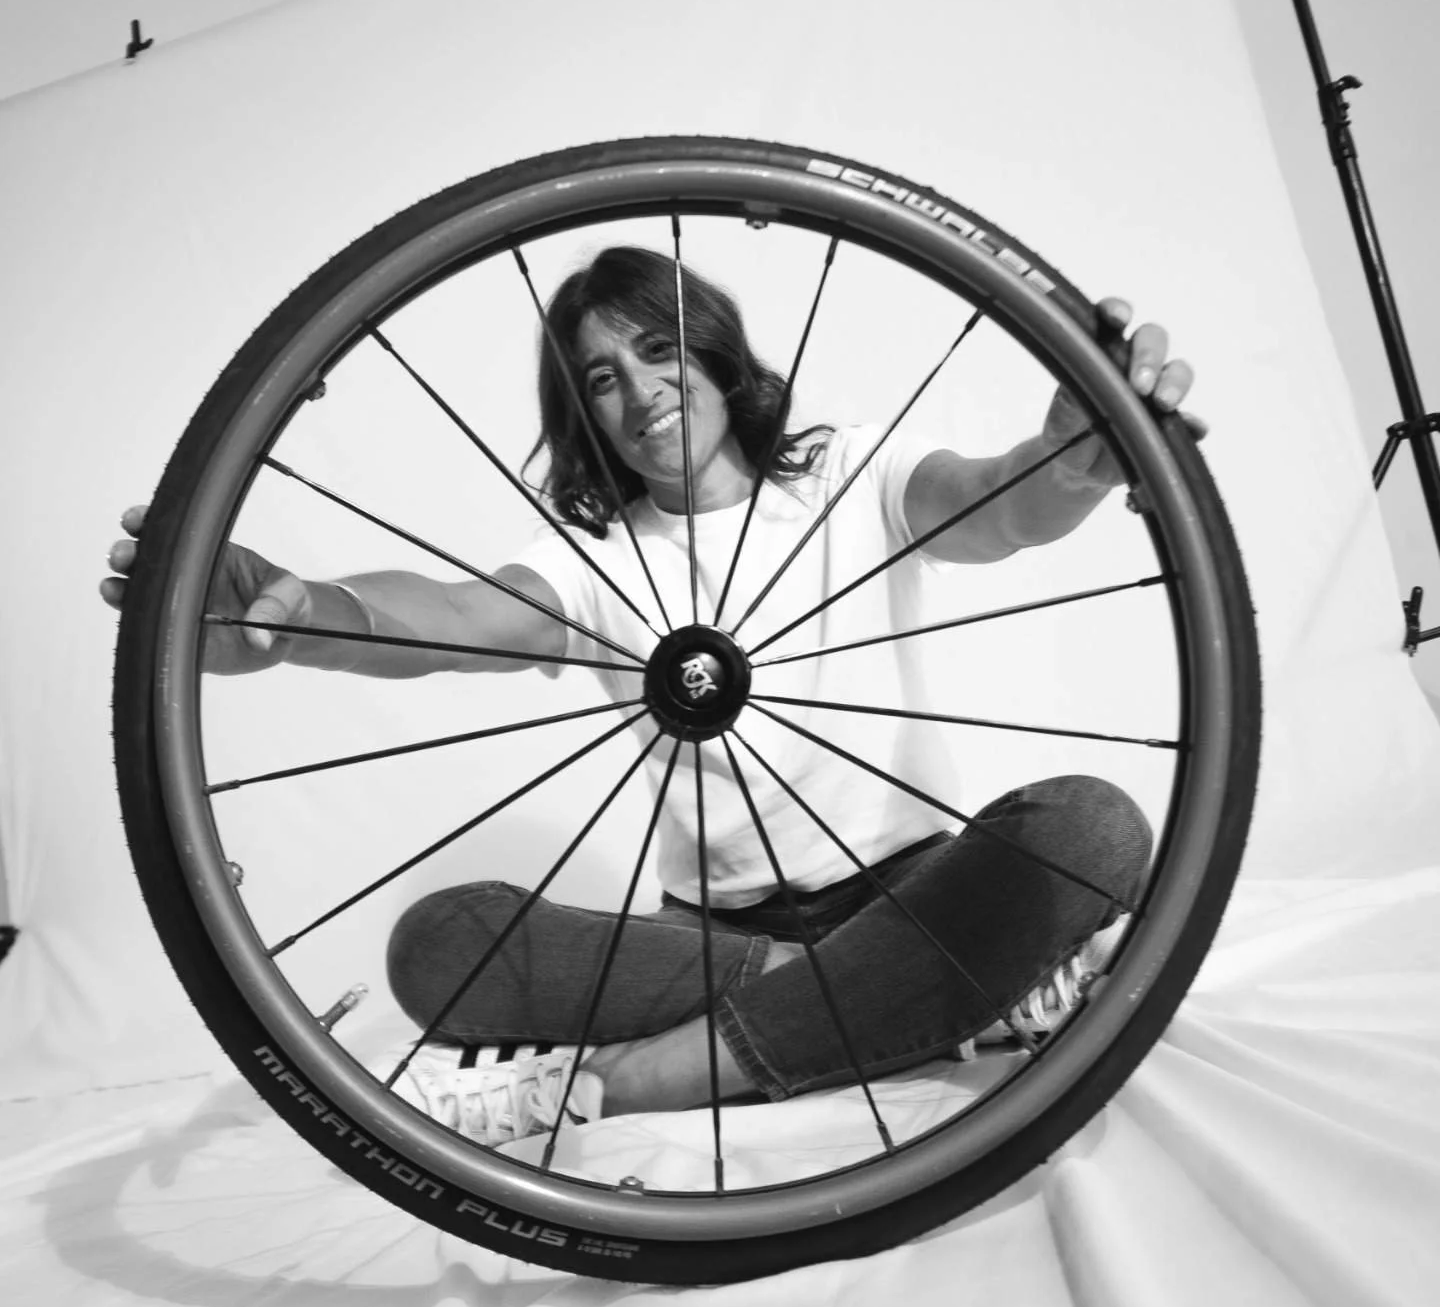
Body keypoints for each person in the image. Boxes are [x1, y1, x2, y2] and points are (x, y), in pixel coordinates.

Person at [103, 248, 1195, 1145]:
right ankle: (926, 999)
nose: (639, 390)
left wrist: (1068, 460)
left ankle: (631, 1081)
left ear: (715, 354)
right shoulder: (592, 564)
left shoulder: (852, 474)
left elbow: (993, 509)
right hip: (712, 944)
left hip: (921, 888)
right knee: (439, 945)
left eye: (658, 347)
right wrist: (304, 617)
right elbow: (450, 615)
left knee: (1088, 824)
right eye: (600, 377)